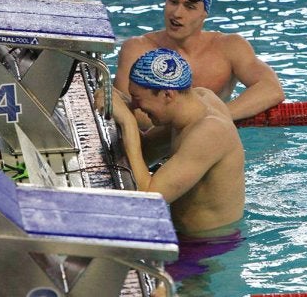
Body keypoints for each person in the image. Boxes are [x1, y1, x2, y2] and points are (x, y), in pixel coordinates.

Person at [98, 48, 246, 295]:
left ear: (167, 94)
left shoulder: (209, 132)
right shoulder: (195, 103)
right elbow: (143, 152)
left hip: (206, 246)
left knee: (146, 288)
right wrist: (123, 106)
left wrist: (128, 122)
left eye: (139, 100)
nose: (137, 107)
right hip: (186, 237)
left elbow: (149, 197)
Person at [113, 0, 285, 124]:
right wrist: (192, 124)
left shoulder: (229, 47)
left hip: (210, 136)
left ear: (205, 14)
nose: (177, 13)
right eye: (173, 2)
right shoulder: (137, 49)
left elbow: (271, 89)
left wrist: (213, 117)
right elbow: (125, 108)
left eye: (189, 6)